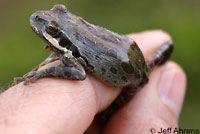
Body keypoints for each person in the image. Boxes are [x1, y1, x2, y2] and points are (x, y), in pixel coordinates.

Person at [0, 30, 186, 134]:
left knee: (110, 118)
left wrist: (40, 74)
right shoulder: (69, 47)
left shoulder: (71, 51)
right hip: (129, 54)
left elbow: (79, 73)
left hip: (130, 78)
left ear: (63, 39)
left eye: (51, 30)